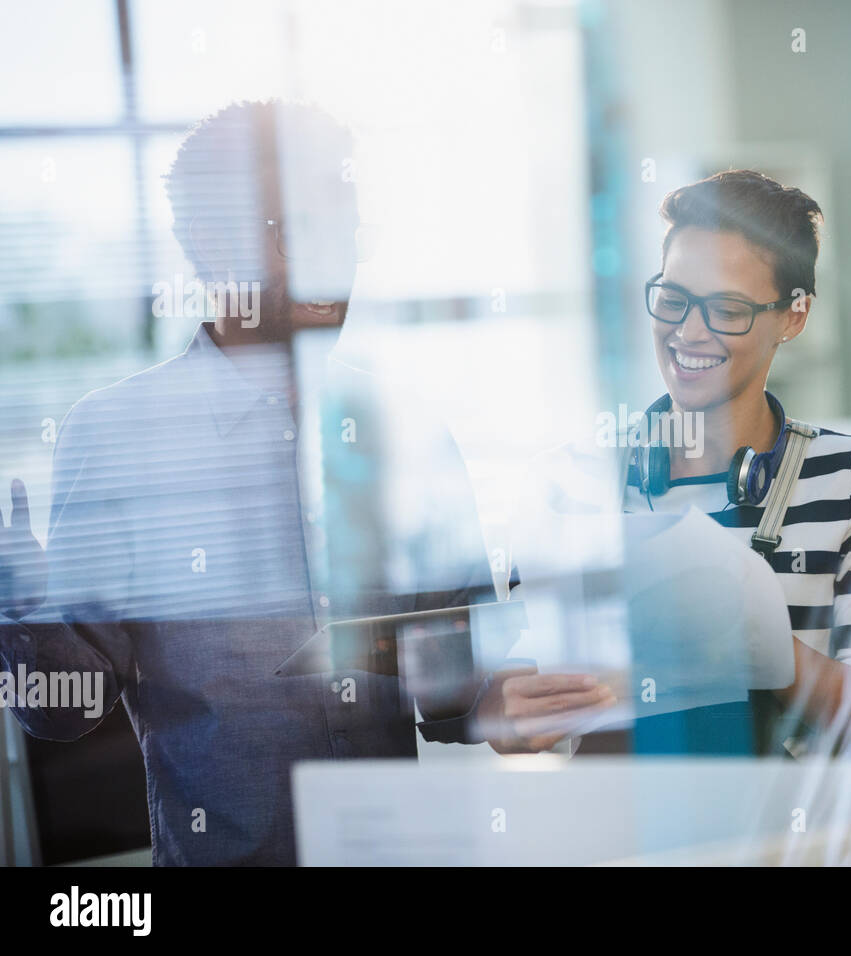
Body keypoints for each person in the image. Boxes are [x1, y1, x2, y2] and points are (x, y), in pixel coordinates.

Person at [0, 100, 491, 864]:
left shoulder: (407, 425)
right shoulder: (119, 435)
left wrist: (525, 688)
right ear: (207, 243)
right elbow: (69, 713)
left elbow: (455, 699)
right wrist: (23, 607)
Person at [482, 170, 851, 756]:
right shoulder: (569, 478)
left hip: (784, 837)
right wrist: (508, 707)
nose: (689, 331)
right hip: (622, 832)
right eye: (674, 299)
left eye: (728, 308)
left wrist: (759, 642)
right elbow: (502, 699)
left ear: (794, 316)